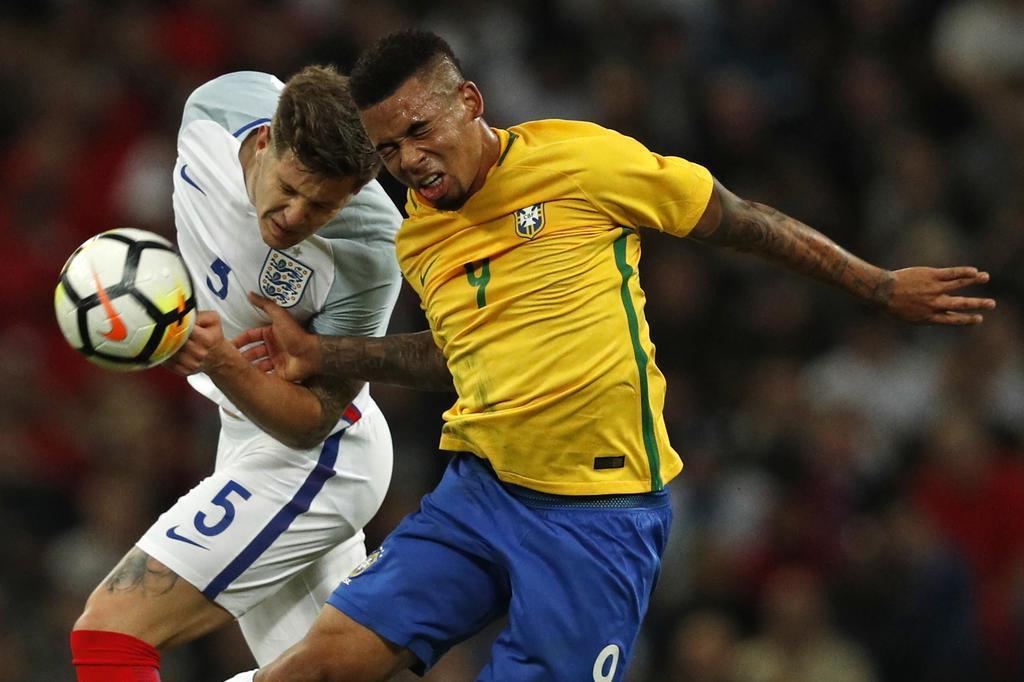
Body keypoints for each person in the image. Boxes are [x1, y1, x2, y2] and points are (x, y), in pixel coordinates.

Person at [229, 31, 996, 682]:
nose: (410, 161)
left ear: (470, 102)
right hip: (481, 491)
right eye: (390, 149)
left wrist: (878, 284)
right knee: (322, 661)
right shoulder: (420, 236)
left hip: (597, 516)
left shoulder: (581, 163)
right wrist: (321, 351)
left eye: (421, 130)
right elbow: (463, 354)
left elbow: (739, 219)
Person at [69, 66, 403, 681]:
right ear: (263, 142)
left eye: (323, 205)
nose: (295, 216)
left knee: (110, 633)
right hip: (242, 434)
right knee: (319, 672)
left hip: (322, 456)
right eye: (290, 187)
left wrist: (217, 358)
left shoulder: (372, 249)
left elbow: (312, 424)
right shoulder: (216, 107)